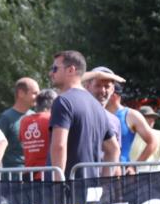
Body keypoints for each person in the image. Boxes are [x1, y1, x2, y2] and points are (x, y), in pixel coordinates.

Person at [48, 51, 120, 180]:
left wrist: (58, 185)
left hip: (69, 190)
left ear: (71, 70)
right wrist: (105, 182)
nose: (51, 73)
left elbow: (59, 145)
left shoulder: (63, 101)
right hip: (92, 188)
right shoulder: (97, 106)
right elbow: (113, 149)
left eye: (55, 69)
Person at [82, 66, 157, 173]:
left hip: (116, 175)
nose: (103, 90)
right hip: (84, 175)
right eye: (98, 85)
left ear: (113, 91)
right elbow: (71, 83)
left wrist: (133, 167)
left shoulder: (126, 116)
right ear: (88, 86)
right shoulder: (80, 112)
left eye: (107, 86)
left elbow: (152, 141)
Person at [0, 77, 39, 168]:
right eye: (35, 93)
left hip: (33, 174)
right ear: (21, 93)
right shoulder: (6, 118)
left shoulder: (35, 116)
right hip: (12, 175)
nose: (38, 97)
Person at [19, 88, 57, 178]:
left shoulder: (24, 121)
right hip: (48, 174)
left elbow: (21, 141)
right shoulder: (52, 119)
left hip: (29, 174)